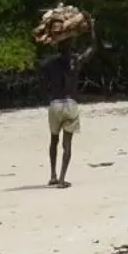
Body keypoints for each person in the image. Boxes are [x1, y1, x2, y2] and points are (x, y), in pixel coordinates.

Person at [38, 16, 96, 187]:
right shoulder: (75, 61)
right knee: (67, 144)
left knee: (53, 141)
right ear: (70, 45)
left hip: (55, 104)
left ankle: (53, 175)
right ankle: (62, 179)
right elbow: (93, 48)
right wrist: (92, 27)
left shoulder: (50, 63)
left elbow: (43, 81)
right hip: (71, 104)